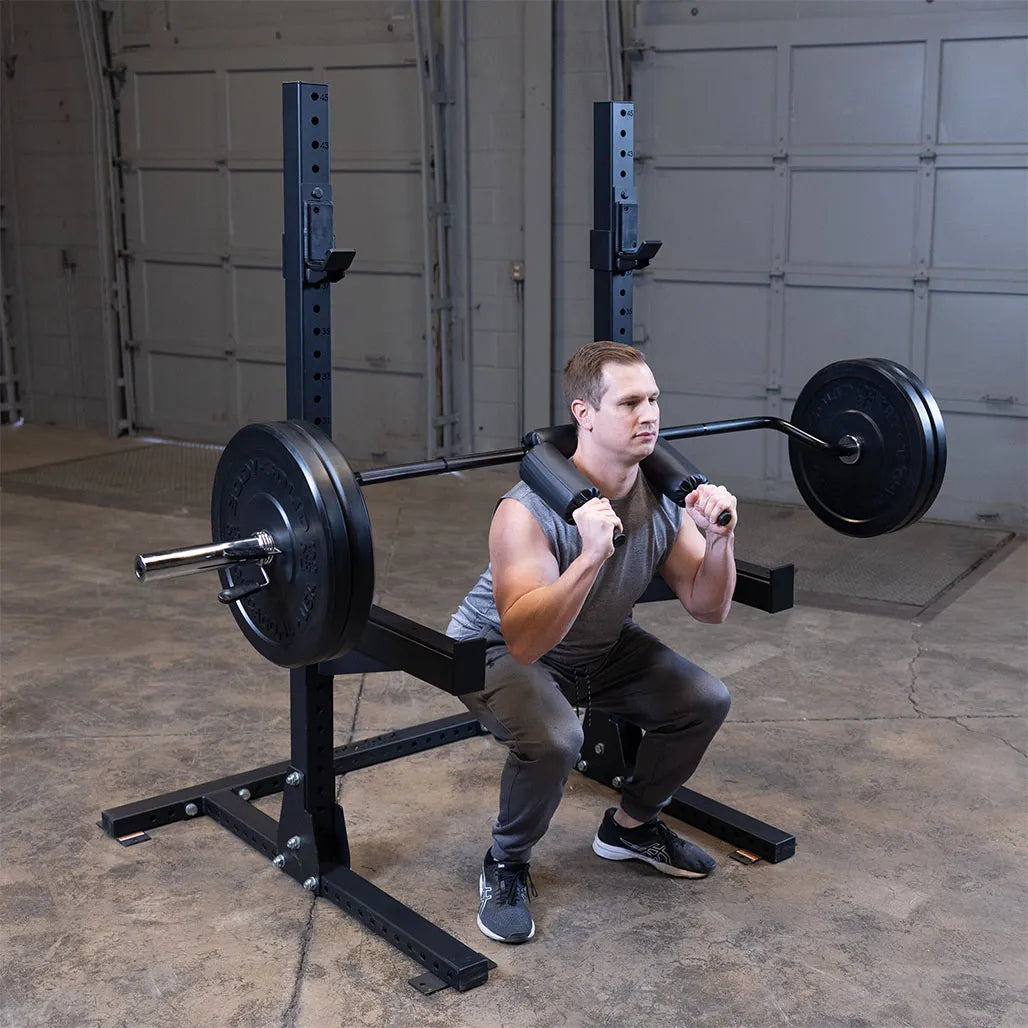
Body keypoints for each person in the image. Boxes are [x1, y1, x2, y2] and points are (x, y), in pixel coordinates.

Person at [446, 340, 737, 944]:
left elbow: (708, 607)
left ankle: (631, 827)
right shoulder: (526, 512)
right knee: (557, 737)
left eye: (654, 399)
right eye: (631, 402)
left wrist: (719, 540)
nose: (650, 415)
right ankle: (506, 863)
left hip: (597, 646)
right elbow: (526, 641)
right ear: (585, 414)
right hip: (496, 648)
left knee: (704, 700)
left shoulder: (658, 497)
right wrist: (591, 555)